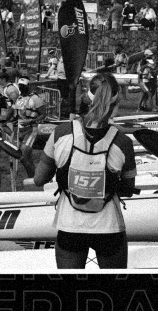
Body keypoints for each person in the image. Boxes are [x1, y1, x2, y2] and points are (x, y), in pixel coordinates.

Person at [33, 73, 137, 269]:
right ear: (116, 102)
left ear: (87, 98)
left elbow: (39, 179)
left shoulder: (61, 133)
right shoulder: (123, 142)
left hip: (70, 226)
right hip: (109, 228)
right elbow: (128, 190)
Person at [12, 77, 45, 177]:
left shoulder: (35, 98)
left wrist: (31, 121)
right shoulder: (20, 98)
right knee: (27, 157)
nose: (21, 88)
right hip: (20, 130)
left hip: (31, 129)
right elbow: (17, 114)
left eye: (23, 86)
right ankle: (33, 177)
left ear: (28, 86)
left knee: (23, 154)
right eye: (20, 86)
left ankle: (34, 176)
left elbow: (43, 114)